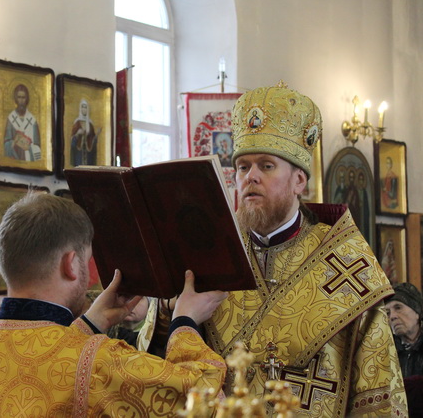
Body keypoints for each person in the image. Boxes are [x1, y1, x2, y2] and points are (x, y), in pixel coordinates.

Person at [139, 82, 408, 416]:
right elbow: (159, 367)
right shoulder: (204, 255)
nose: (250, 176)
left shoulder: (347, 263)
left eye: (266, 166)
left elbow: (378, 394)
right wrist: (167, 309)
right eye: (242, 167)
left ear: (299, 181)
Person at [0, 193, 228, 416]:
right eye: (87, 259)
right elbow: (202, 394)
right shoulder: (98, 361)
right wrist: (184, 322)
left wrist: (92, 324)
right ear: (71, 264)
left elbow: (43, 369)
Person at [3, 83, 42, 161]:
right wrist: (14, 142)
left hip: (29, 158)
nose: (21, 101)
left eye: (23, 97)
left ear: (27, 99)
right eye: (19, 97)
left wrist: (29, 148)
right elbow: (6, 143)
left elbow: (38, 145)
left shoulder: (32, 120)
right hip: (14, 157)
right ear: (15, 99)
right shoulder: (11, 119)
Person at [70, 98, 101, 166]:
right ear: (80, 109)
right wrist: (78, 134)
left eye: (86, 107)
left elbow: (93, 142)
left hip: (88, 154)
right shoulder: (77, 122)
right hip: (79, 153)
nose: (84, 109)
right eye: (83, 107)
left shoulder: (90, 124)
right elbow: (72, 142)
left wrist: (97, 135)